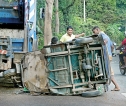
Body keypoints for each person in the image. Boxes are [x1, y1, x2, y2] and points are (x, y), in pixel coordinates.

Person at [92, 26, 120, 91]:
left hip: (106, 56)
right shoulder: (107, 36)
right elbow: (112, 46)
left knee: (108, 72)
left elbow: (105, 41)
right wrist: (110, 53)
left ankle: (117, 86)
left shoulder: (101, 35)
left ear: (97, 30)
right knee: (107, 71)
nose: (94, 33)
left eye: (94, 32)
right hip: (109, 55)